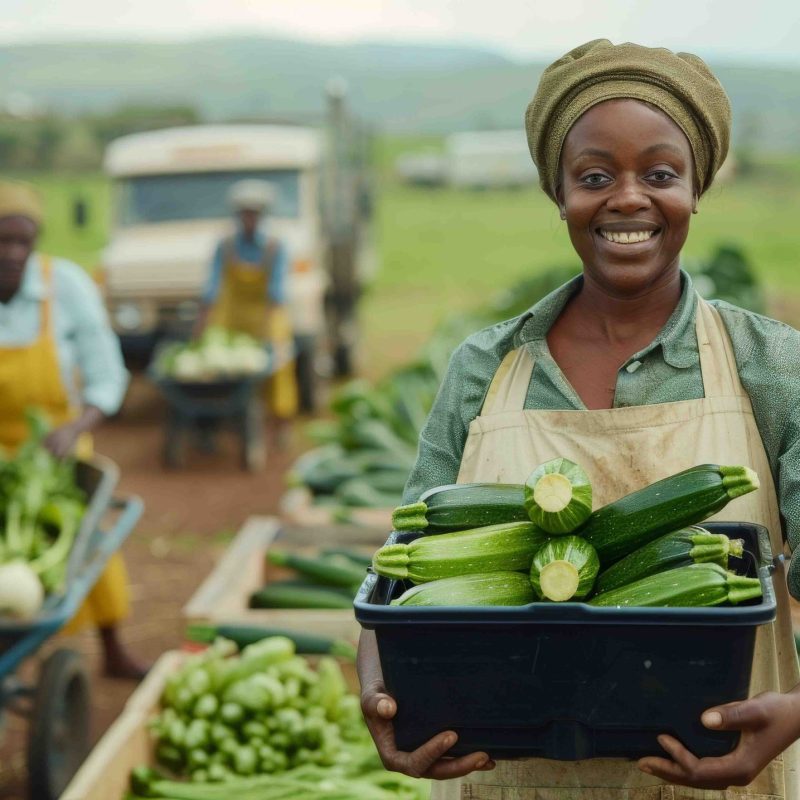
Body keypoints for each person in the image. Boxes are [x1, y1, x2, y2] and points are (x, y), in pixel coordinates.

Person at [358, 39, 800, 798]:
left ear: (696, 189)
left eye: (660, 174)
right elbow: (401, 581)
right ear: (558, 194)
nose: (628, 199)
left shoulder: (771, 366)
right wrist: (382, 692)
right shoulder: (483, 370)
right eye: (594, 176)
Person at [0, 180, 147, 680]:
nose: (13, 252)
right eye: (3, 240)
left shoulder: (64, 286)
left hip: (56, 448)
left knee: (88, 542)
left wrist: (75, 427)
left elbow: (107, 377)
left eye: (23, 241)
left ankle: (113, 648)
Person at [195, 179, 298, 445]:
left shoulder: (275, 247)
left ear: (262, 215)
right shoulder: (226, 245)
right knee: (218, 370)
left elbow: (276, 293)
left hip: (267, 314)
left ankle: (281, 425)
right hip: (233, 316)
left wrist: (266, 330)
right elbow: (212, 287)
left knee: (278, 371)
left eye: (254, 213)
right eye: (244, 213)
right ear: (238, 215)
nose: (249, 218)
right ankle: (218, 424)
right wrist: (202, 324)